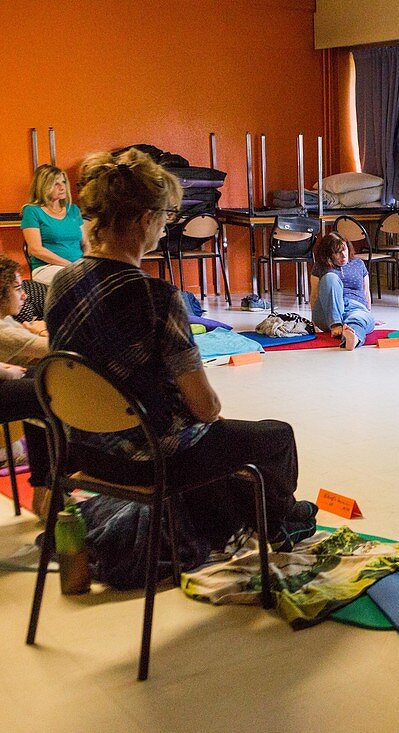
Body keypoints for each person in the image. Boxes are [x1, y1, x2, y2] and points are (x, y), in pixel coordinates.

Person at [45, 148, 314, 551]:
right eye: (166, 216)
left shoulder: (61, 285)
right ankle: (278, 523)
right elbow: (205, 408)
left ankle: (272, 516)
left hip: (85, 453)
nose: (166, 226)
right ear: (145, 220)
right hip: (152, 459)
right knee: (275, 437)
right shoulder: (159, 298)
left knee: (221, 446)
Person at [0, 255, 52, 514]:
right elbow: (55, 346)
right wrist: (42, 331)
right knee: (48, 391)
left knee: (40, 380)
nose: (25, 296)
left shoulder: (7, 322)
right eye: (18, 288)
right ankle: (50, 489)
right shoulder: (4, 329)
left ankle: (45, 490)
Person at [20, 164, 89, 286]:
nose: (62, 187)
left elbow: (85, 244)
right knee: (75, 281)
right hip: (47, 267)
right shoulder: (32, 211)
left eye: (63, 182)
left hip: (78, 266)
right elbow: (36, 250)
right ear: (43, 186)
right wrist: (70, 265)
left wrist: (87, 263)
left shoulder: (73, 210)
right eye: (56, 184)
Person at [309, 232, 376, 350]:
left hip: (355, 308)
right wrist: (313, 323)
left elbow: (366, 292)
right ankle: (336, 325)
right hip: (327, 312)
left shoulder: (358, 264)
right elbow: (314, 295)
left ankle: (353, 339)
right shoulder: (320, 266)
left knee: (357, 320)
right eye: (337, 252)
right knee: (331, 277)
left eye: (344, 249)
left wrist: (367, 313)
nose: (343, 255)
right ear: (328, 255)